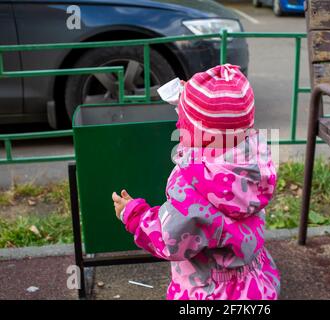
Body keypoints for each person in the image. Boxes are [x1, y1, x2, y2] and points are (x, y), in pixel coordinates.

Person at [112, 64, 280, 300]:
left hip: (208, 290)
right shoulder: (253, 162)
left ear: (197, 134)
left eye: (182, 123)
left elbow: (170, 238)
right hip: (252, 281)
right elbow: (216, 120)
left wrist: (134, 215)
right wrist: (187, 98)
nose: (178, 126)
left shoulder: (195, 186)